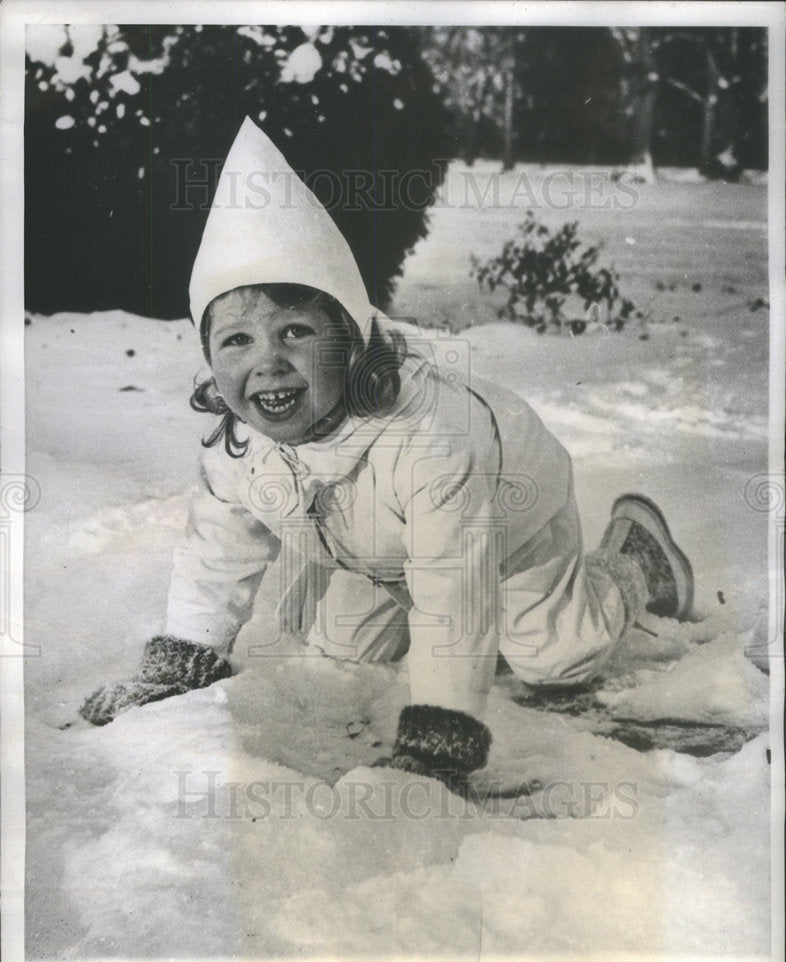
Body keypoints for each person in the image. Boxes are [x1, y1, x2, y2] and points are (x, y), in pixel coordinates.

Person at [80, 119, 693, 789]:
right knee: (345, 656)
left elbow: (453, 589)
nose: (269, 363)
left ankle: (635, 562)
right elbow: (216, 553)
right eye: (236, 342)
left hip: (504, 524)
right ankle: (420, 622)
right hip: (380, 550)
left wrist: (439, 736)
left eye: (295, 332)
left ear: (348, 342)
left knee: (552, 657)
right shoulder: (243, 444)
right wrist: (180, 664)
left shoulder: (428, 440)